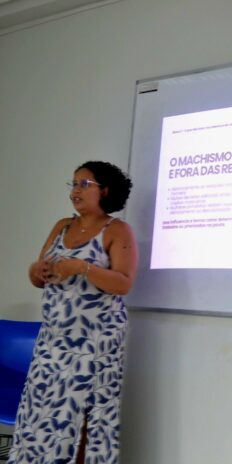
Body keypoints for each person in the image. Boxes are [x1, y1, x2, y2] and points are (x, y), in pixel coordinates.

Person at [9, 161, 138, 464]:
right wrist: (37, 271)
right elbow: (39, 277)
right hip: (53, 341)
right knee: (41, 414)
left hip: (94, 345)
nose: (75, 191)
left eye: (84, 184)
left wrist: (82, 267)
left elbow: (124, 283)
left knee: (80, 419)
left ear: (105, 191)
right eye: (74, 184)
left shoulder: (117, 230)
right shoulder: (62, 226)